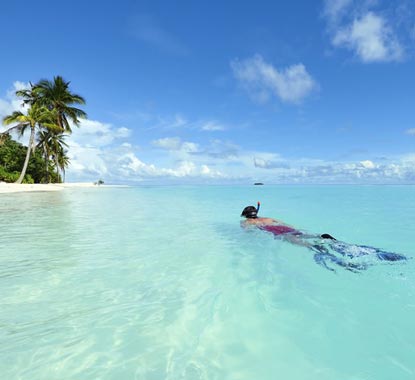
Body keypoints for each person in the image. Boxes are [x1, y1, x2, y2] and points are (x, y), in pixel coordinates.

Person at [241, 202, 407, 272]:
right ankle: (326, 240)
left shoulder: (248, 223)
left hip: (279, 233)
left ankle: (328, 255)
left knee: (309, 246)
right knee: (313, 236)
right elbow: (289, 225)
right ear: (256, 213)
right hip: (287, 228)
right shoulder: (270, 218)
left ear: (246, 215)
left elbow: (247, 233)